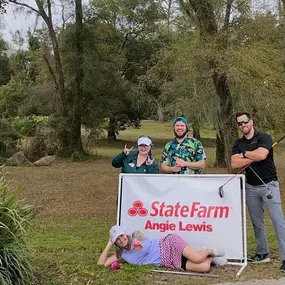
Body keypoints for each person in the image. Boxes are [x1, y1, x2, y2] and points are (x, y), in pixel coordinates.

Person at [231, 112, 285, 272]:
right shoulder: (238, 142)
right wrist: (252, 155)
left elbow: (262, 155)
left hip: (269, 185)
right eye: (240, 123)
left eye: (245, 122)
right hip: (250, 186)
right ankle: (262, 253)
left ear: (251, 121)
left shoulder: (264, 137)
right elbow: (234, 163)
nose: (243, 125)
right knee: (257, 222)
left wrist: (245, 154)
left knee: (277, 220)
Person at [97, 225, 227, 272]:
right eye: (117, 239)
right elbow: (101, 264)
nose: (122, 239)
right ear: (116, 243)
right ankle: (211, 259)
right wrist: (109, 243)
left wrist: (136, 241)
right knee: (203, 267)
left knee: (198, 258)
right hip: (167, 261)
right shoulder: (122, 254)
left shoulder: (134, 235)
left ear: (125, 233)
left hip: (169, 244)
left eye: (122, 235)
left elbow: (140, 234)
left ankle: (210, 250)